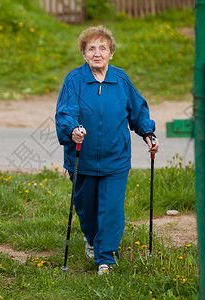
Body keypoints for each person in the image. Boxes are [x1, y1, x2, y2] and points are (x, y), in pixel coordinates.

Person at [55, 26, 159, 275]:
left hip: (115, 159)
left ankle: (107, 260)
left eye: (103, 48)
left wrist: (148, 133)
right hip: (82, 157)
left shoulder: (120, 80)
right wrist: (72, 130)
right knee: (86, 209)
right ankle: (91, 239)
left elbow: (138, 111)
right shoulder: (74, 80)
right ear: (84, 54)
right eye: (91, 48)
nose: (97, 53)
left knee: (111, 209)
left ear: (111, 53)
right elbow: (65, 113)